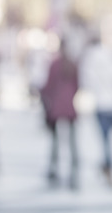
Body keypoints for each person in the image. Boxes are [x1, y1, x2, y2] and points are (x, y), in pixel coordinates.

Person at [80, 37, 112, 187]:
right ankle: (106, 165)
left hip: (100, 104)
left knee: (105, 139)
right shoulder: (110, 57)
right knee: (108, 139)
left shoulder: (90, 59)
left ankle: (108, 166)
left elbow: (86, 82)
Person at [40, 42, 79, 190]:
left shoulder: (55, 64)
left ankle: (53, 168)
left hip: (56, 107)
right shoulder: (72, 64)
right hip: (69, 107)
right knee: (72, 142)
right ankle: (73, 170)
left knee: (55, 141)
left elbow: (48, 86)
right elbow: (77, 85)